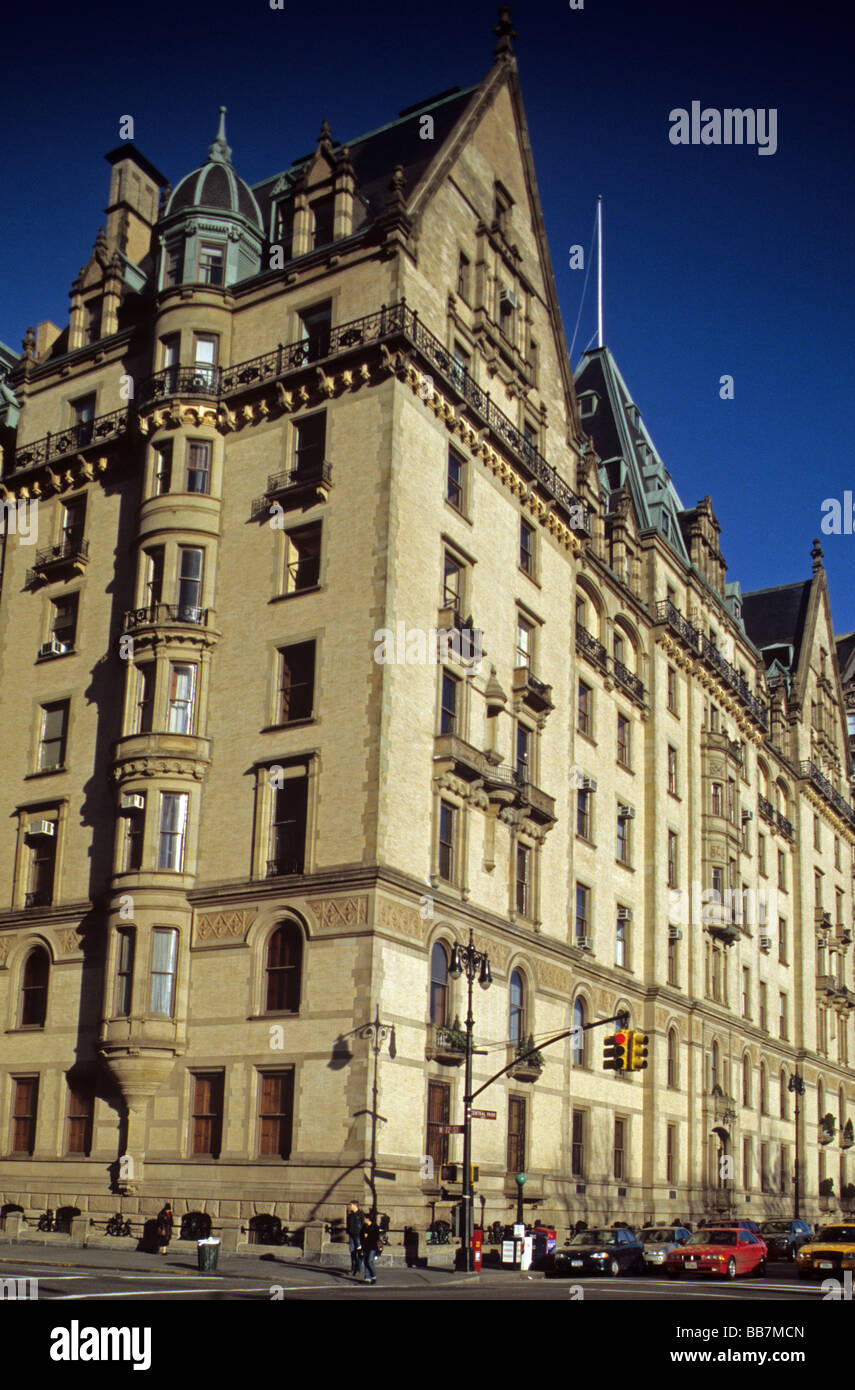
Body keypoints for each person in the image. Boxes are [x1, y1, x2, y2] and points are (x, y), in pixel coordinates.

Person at [361, 1213, 382, 1284]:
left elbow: (375, 1237)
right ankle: (367, 1278)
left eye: (364, 1218)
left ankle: (374, 1276)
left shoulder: (375, 1227)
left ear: (368, 1219)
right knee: (366, 1261)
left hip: (372, 1247)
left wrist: (367, 1235)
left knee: (370, 1261)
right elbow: (361, 1236)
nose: (363, 1220)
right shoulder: (364, 1227)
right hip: (365, 1246)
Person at [346, 1201, 364, 1276]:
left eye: (350, 1205)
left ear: (354, 1205)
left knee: (359, 1253)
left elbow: (363, 1224)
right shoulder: (350, 1215)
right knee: (352, 1252)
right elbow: (348, 1224)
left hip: (358, 1235)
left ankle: (358, 1270)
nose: (349, 1206)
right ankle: (353, 1268)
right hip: (352, 1235)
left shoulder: (360, 1214)